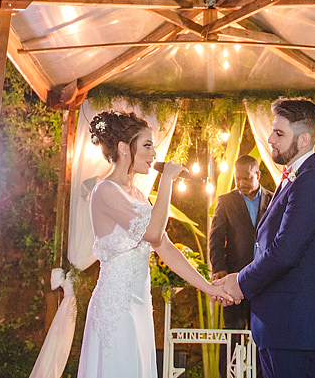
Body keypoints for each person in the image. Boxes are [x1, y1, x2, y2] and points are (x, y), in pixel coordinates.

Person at [77, 111, 234, 378]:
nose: (154, 153)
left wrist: (208, 287)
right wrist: (167, 180)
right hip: (117, 308)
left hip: (140, 307)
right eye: (147, 145)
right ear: (124, 148)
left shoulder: (138, 196)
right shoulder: (105, 191)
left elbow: (165, 246)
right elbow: (152, 233)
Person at [213, 98, 315, 378]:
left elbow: (285, 251)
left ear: (304, 139)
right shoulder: (293, 178)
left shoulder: (312, 181)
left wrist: (240, 282)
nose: (270, 139)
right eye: (273, 131)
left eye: (279, 133)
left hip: (299, 330)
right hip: (281, 328)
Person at [209, 155, 273, 331]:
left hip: (264, 278)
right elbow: (216, 237)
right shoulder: (225, 201)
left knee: (263, 332)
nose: (241, 183)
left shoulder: (274, 200)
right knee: (233, 332)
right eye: (238, 178)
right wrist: (218, 268)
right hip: (234, 277)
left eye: (247, 178)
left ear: (257, 175)